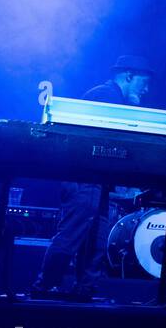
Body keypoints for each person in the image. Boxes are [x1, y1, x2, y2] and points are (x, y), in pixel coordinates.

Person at [32, 55, 154, 297]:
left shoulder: (115, 99)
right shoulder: (106, 96)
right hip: (84, 180)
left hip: (99, 183)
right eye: (144, 82)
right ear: (129, 76)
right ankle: (45, 286)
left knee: (97, 241)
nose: (147, 89)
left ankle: (84, 289)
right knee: (72, 235)